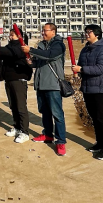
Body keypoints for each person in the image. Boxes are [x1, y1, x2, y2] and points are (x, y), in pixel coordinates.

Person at [22, 22, 68, 156]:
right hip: (41, 84)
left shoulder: (58, 45)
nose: (43, 33)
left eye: (45, 30)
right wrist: (32, 63)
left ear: (53, 32)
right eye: (42, 30)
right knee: (45, 112)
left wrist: (30, 50)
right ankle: (48, 134)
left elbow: (50, 55)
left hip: (53, 85)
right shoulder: (41, 45)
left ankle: (61, 141)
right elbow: (40, 61)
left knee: (57, 114)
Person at [72, 24, 103, 161]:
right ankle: (99, 143)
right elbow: (81, 65)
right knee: (94, 118)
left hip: (102, 89)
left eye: (89, 32)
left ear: (97, 34)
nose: (86, 34)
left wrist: (81, 69)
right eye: (85, 32)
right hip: (88, 88)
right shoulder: (85, 49)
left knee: (101, 118)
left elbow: (102, 68)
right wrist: (78, 72)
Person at [0, 29, 32, 143]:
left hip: (19, 79)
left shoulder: (21, 47)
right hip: (9, 79)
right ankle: (17, 127)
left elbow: (13, 52)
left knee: (21, 106)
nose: (10, 36)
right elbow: (5, 54)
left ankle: (24, 132)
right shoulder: (9, 47)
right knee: (13, 105)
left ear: (19, 36)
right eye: (10, 35)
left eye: (13, 35)